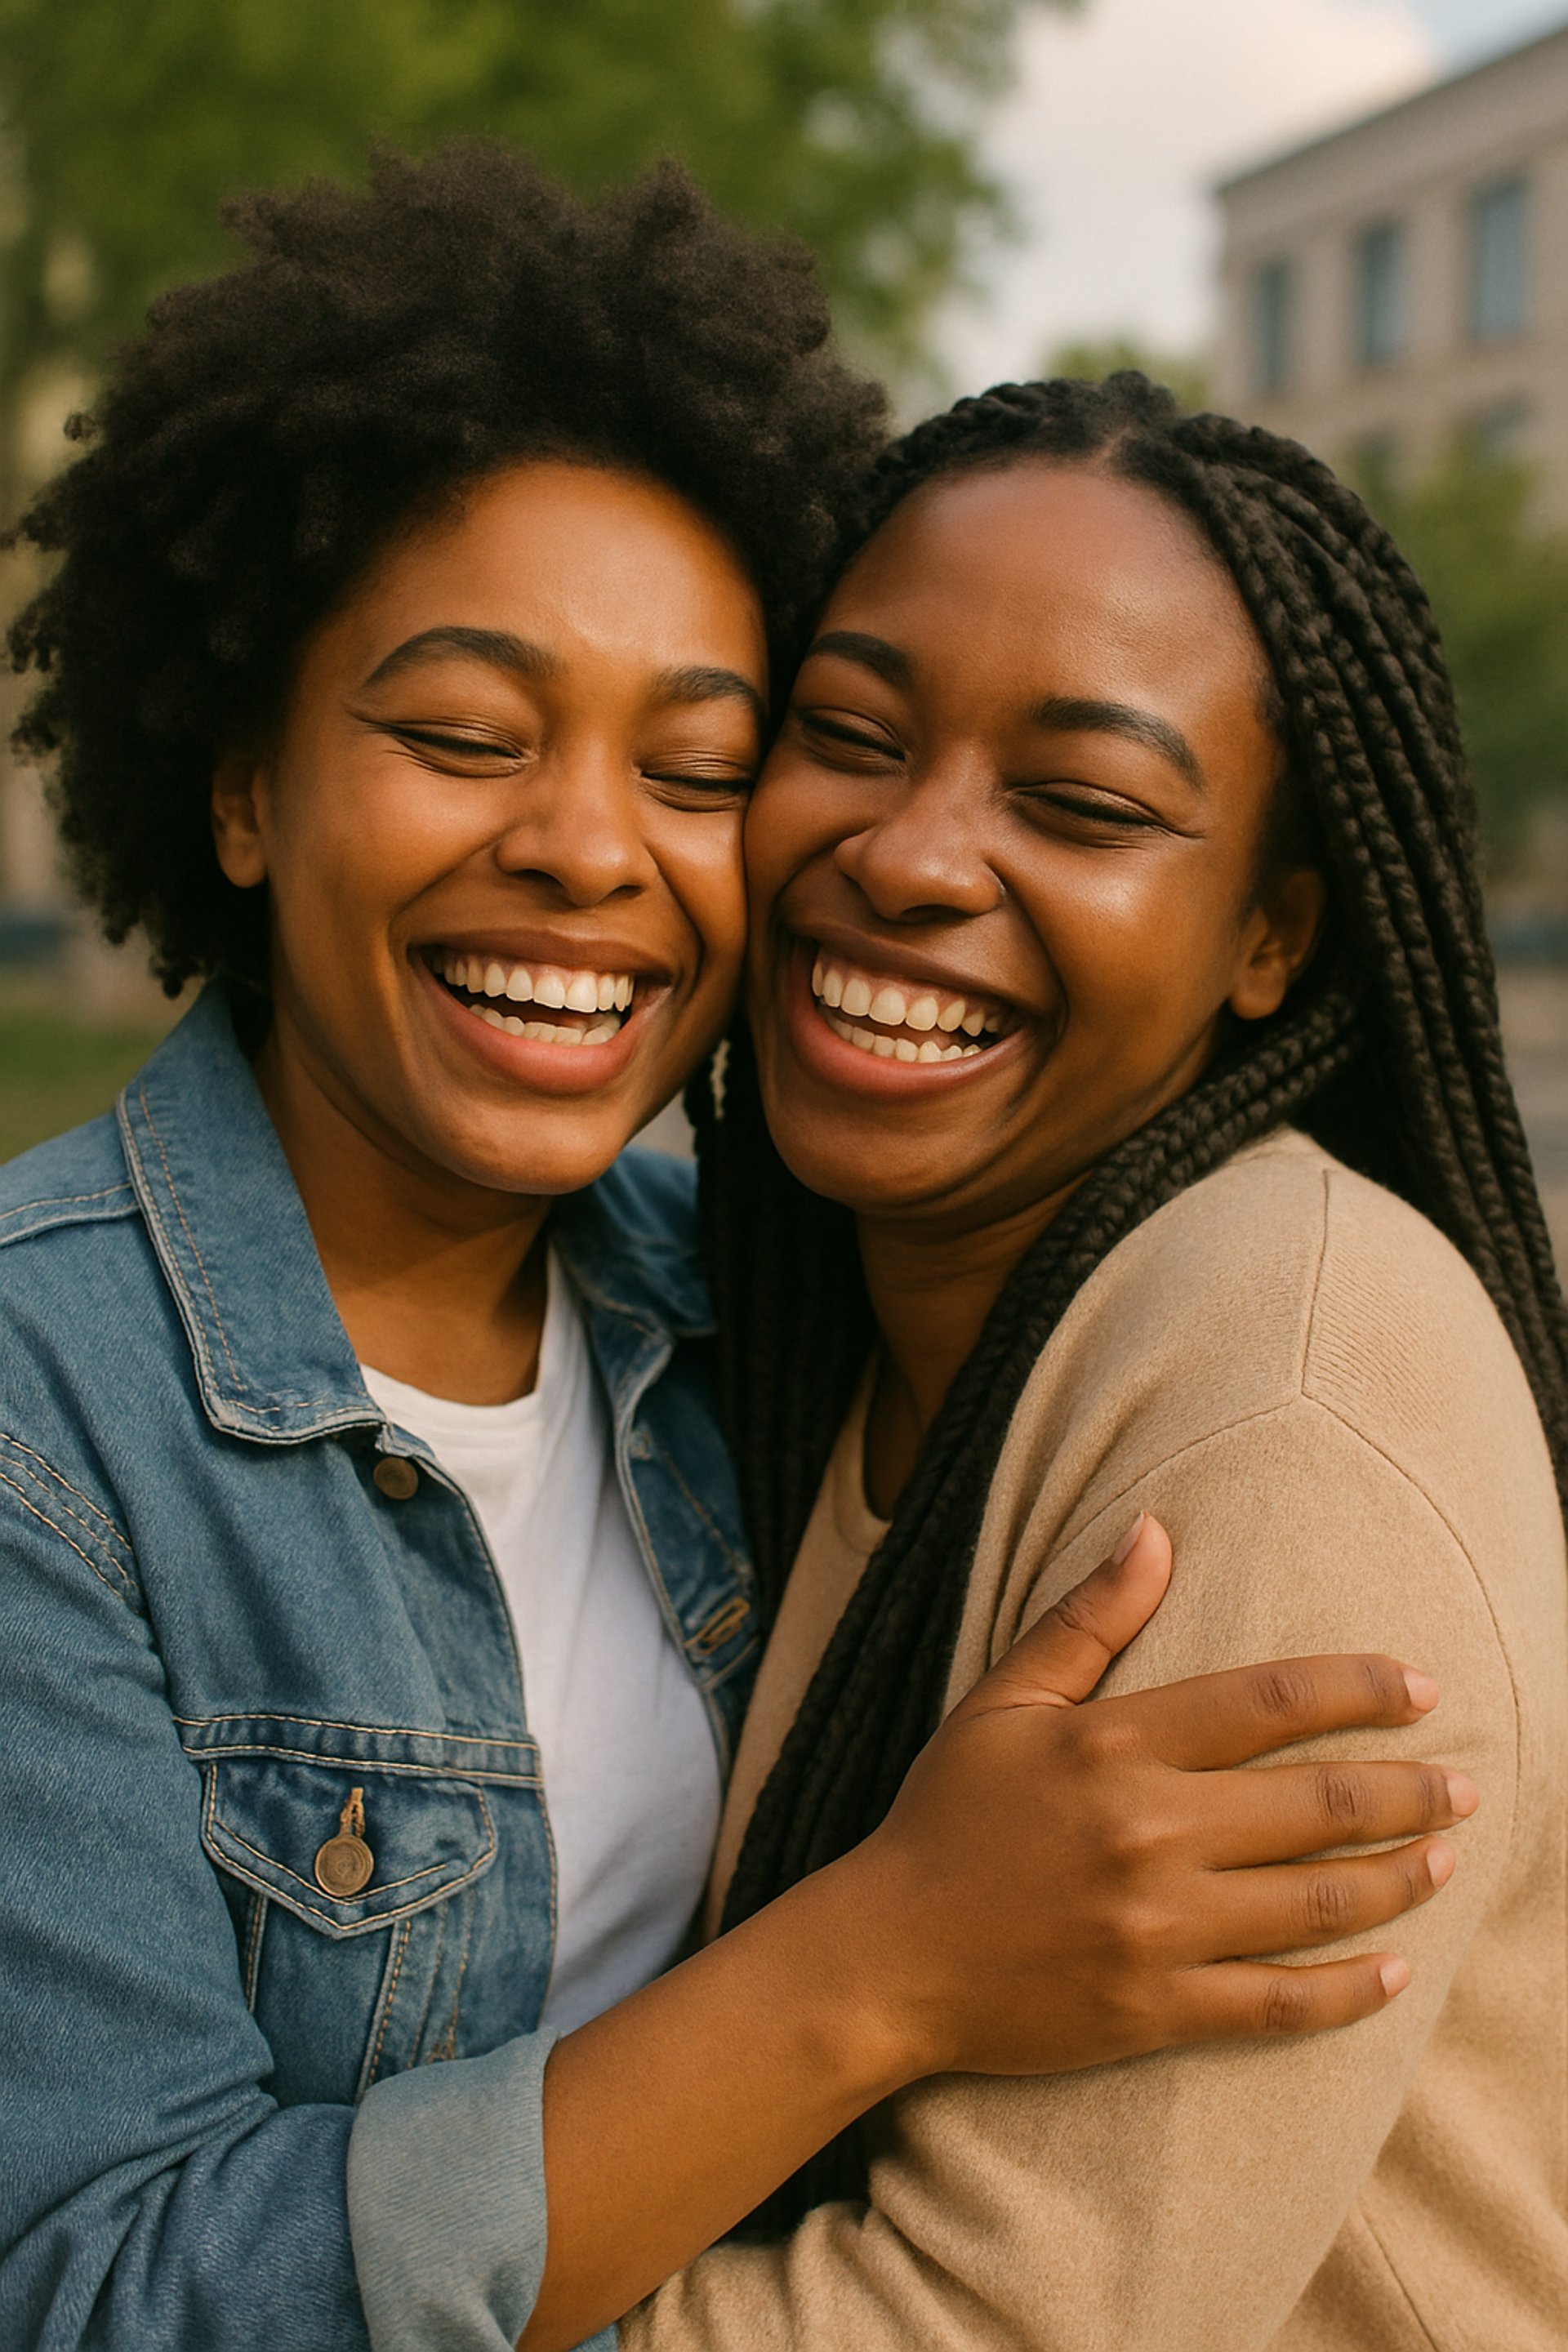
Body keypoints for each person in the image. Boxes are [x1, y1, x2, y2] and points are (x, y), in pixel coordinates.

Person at [0, 163, 1466, 2352]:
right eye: (461, 737)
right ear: (240, 789)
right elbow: (98, 2296)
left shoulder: (746, 1306)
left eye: (700, 765)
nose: (589, 849)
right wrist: (881, 1961)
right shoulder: (48, 1421)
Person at [628, 372, 1568, 2350]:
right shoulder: (780, 1309)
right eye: (849, 736)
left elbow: (983, 2323)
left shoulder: (1293, 1405)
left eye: (1082, 805)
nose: (910, 856)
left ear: (1270, 938)